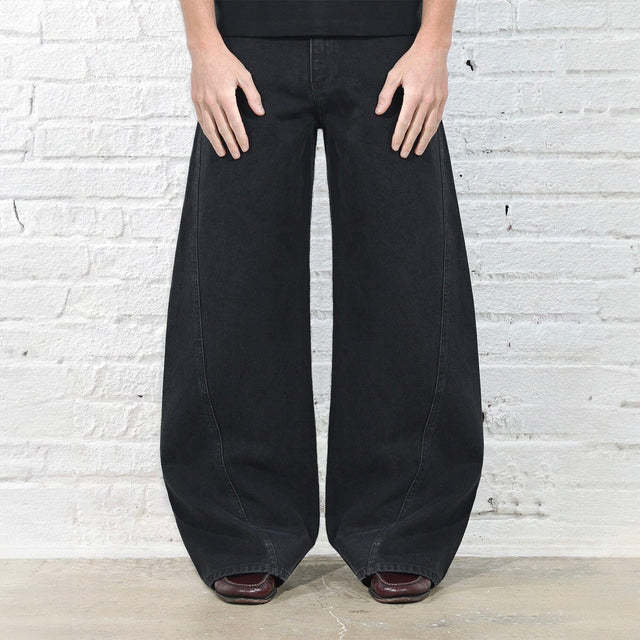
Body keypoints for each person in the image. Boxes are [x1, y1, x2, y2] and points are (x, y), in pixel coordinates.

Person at [160, 0, 484, 605]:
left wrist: (434, 43)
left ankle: (400, 531)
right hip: (247, 50)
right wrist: (203, 45)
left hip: (391, 47)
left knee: (408, 287)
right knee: (233, 290)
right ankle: (245, 532)